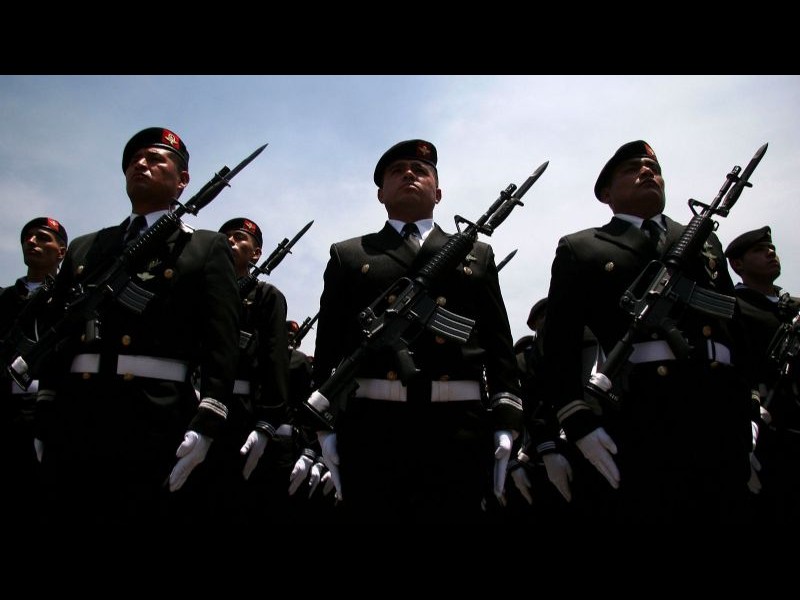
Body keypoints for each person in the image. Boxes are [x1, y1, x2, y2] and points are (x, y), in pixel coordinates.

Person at [309, 139, 524, 523]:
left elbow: (498, 344)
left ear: (438, 193)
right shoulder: (350, 255)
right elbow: (328, 347)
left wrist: (506, 419)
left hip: (458, 428)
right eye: (397, 171)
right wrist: (323, 428)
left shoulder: (475, 254)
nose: (409, 174)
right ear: (381, 194)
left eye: (421, 171)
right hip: (373, 429)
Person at [34, 127, 240, 526]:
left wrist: (208, 420)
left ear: (182, 180)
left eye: (155, 159)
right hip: (77, 415)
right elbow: (59, 336)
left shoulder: (204, 247)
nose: (140, 164)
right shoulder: (86, 247)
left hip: (155, 419)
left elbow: (222, 341)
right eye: (134, 160)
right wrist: (46, 409)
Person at [543, 140, 754, 523]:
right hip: (644, 413)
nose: (647, 173)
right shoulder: (583, 248)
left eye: (653, 169)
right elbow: (559, 347)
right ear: (606, 194)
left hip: (719, 410)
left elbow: (733, 329)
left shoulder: (703, 239)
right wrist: (577, 421)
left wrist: (747, 408)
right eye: (632, 169)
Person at [213, 217, 294, 524]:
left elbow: (275, 362)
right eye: (225, 237)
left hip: (239, 412)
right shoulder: (201, 289)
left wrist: (266, 422)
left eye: (239, 238)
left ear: (256, 254)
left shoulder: (266, 297)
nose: (230, 242)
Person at [725, 226, 800, 522]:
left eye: (772, 249)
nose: (770, 253)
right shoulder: (733, 308)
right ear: (737, 265)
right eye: (759, 250)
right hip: (764, 434)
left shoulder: (794, 308)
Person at [0, 217, 68, 524]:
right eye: (28, 237)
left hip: (49, 407)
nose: (32, 242)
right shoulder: (4, 298)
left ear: (61, 252)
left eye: (43, 238)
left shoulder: (70, 299)